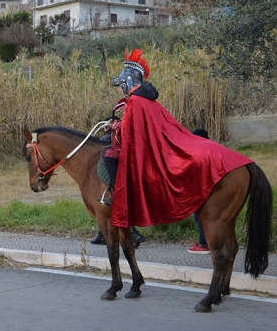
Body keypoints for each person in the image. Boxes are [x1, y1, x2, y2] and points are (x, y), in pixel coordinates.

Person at [108, 49, 252, 230]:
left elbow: (130, 133)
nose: (121, 89)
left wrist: (114, 127)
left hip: (158, 149)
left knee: (109, 156)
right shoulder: (147, 99)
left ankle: (118, 196)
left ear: (129, 81)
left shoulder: (135, 102)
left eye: (121, 85)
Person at [90, 103, 146, 249]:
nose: (105, 128)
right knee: (103, 208)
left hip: (118, 163)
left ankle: (133, 234)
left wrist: (110, 129)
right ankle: (102, 234)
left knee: (114, 201)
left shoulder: (113, 134)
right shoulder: (116, 131)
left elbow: (104, 146)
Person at [187, 128, 211, 254]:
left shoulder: (197, 153)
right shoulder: (212, 150)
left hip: (201, 191)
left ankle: (203, 244)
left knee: (200, 217)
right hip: (212, 189)